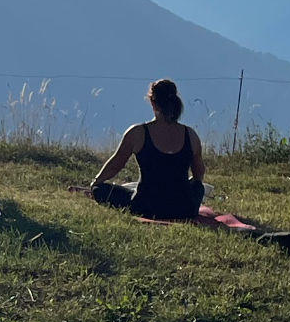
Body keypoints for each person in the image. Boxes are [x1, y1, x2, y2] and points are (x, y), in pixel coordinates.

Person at [87, 79, 206, 220]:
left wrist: (96, 182)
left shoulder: (138, 133)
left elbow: (116, 165)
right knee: (198, 186)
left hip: (145, 207)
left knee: (100, 190)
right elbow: (199, 174)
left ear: (152, 102)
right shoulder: (190, 135)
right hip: (184, 209)